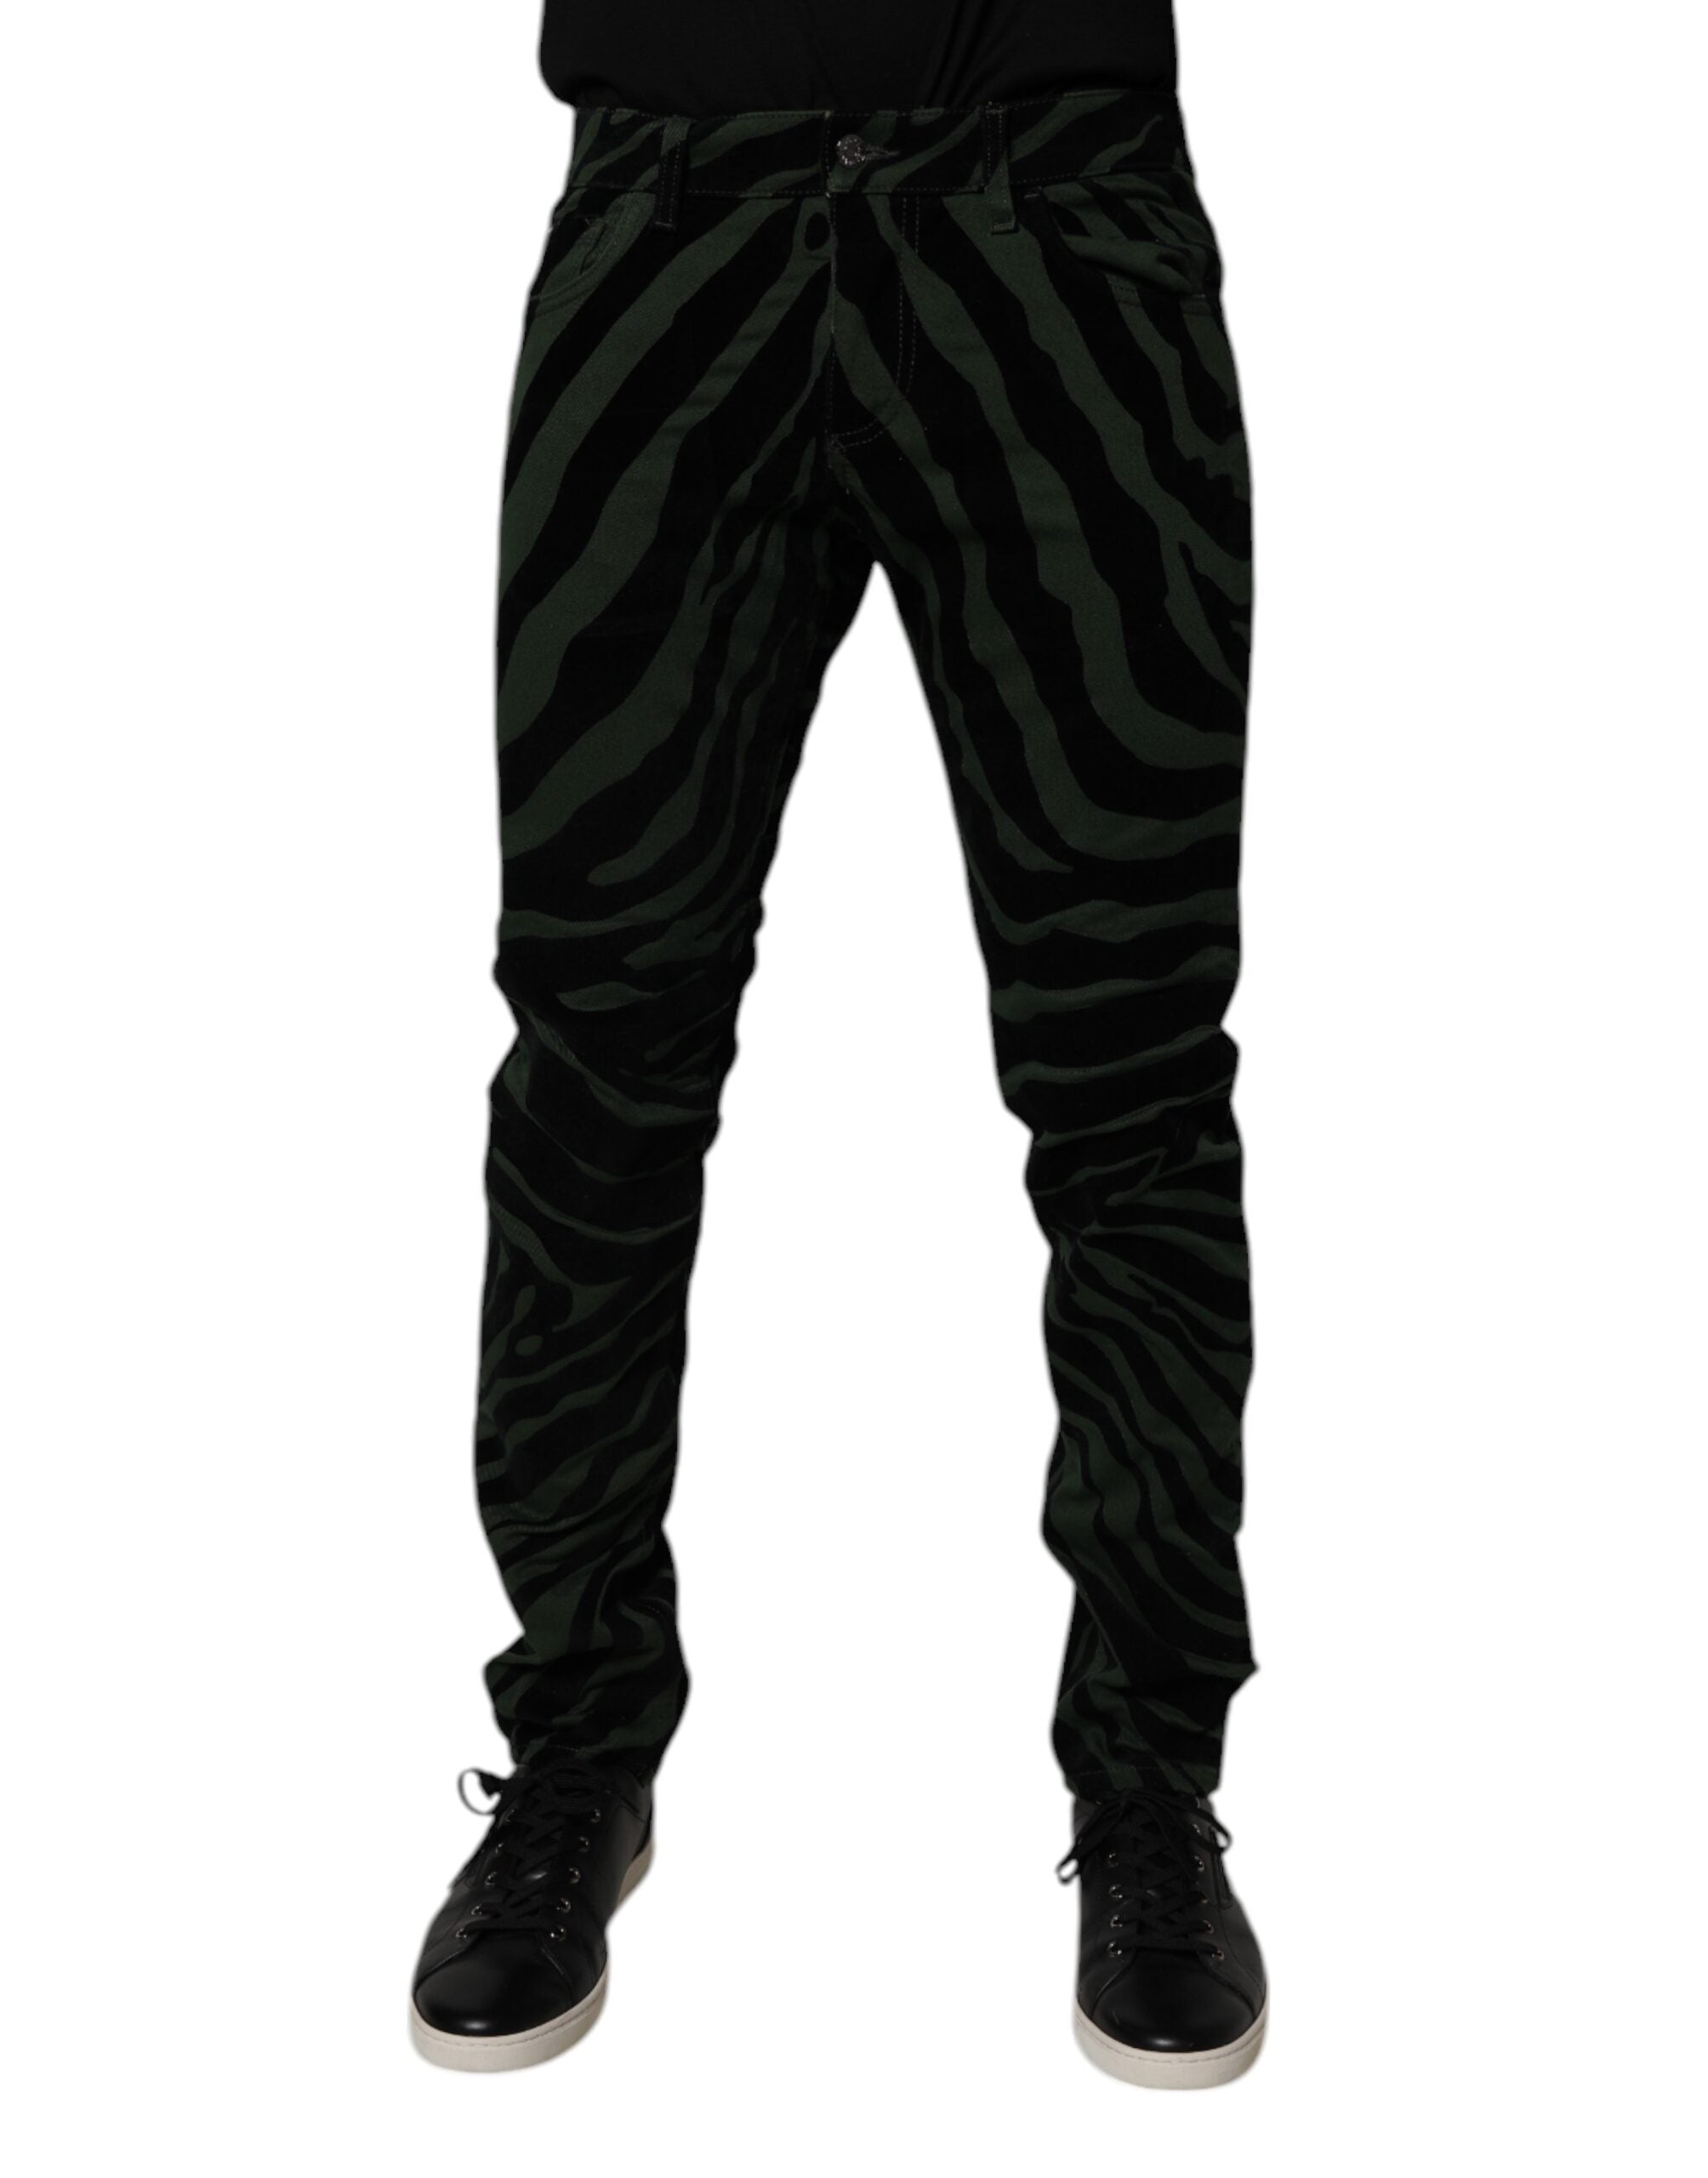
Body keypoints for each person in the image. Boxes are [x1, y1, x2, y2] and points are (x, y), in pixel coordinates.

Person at [409, 0, 1265, 2088]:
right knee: (598, 1046)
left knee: (1128, 1061)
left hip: (1055, 211)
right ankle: (575, 1747)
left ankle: (1148, 1782)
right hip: (669, 199)